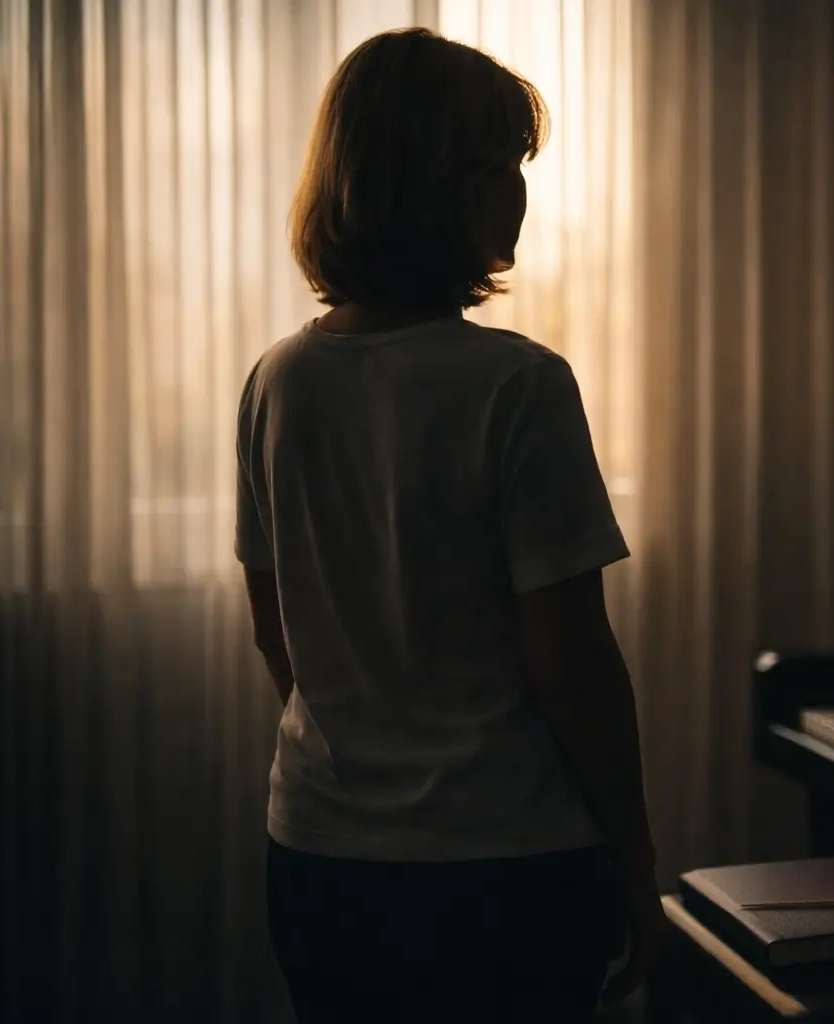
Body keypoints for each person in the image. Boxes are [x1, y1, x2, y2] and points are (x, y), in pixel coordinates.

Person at [234, 28, 664, 1023]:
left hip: (321, 858)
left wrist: (369, 744)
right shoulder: (518, 386)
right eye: (500, 167)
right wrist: (635, 859)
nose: (519, 193)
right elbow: (573, 663)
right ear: (442, 187)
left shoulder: (276, 382)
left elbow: (277, 630)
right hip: (502, 869)